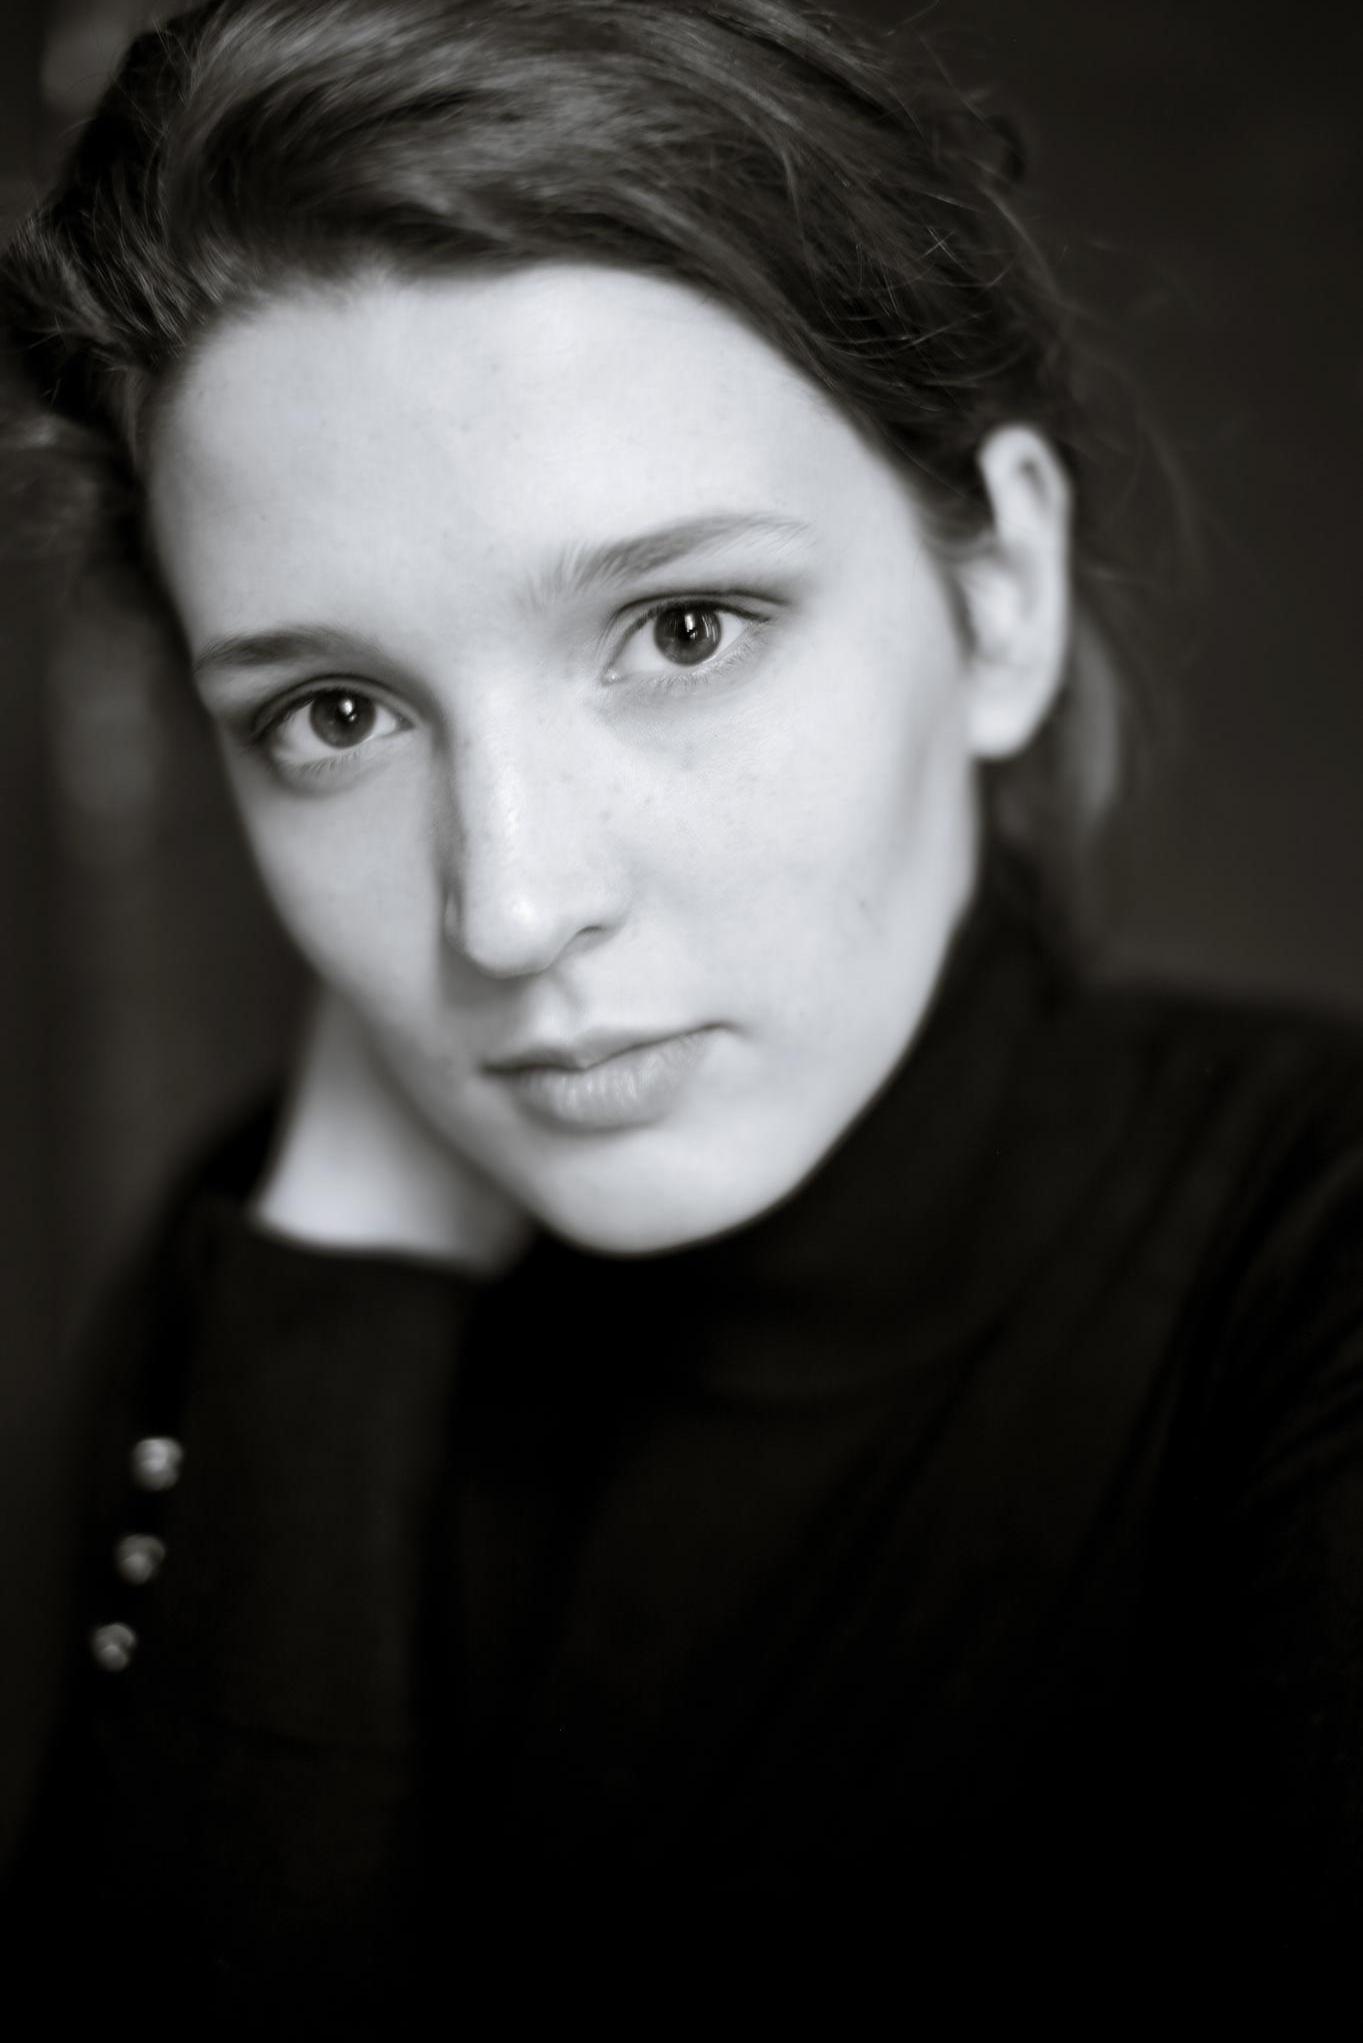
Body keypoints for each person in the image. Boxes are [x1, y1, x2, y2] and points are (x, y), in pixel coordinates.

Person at [1, 0, 1358, 2014]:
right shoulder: (254, 1281)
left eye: (683, 626)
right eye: (336, 715)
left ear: (998, 593)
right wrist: (334, 1298)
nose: (513, 906)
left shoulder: (1308, 1272)